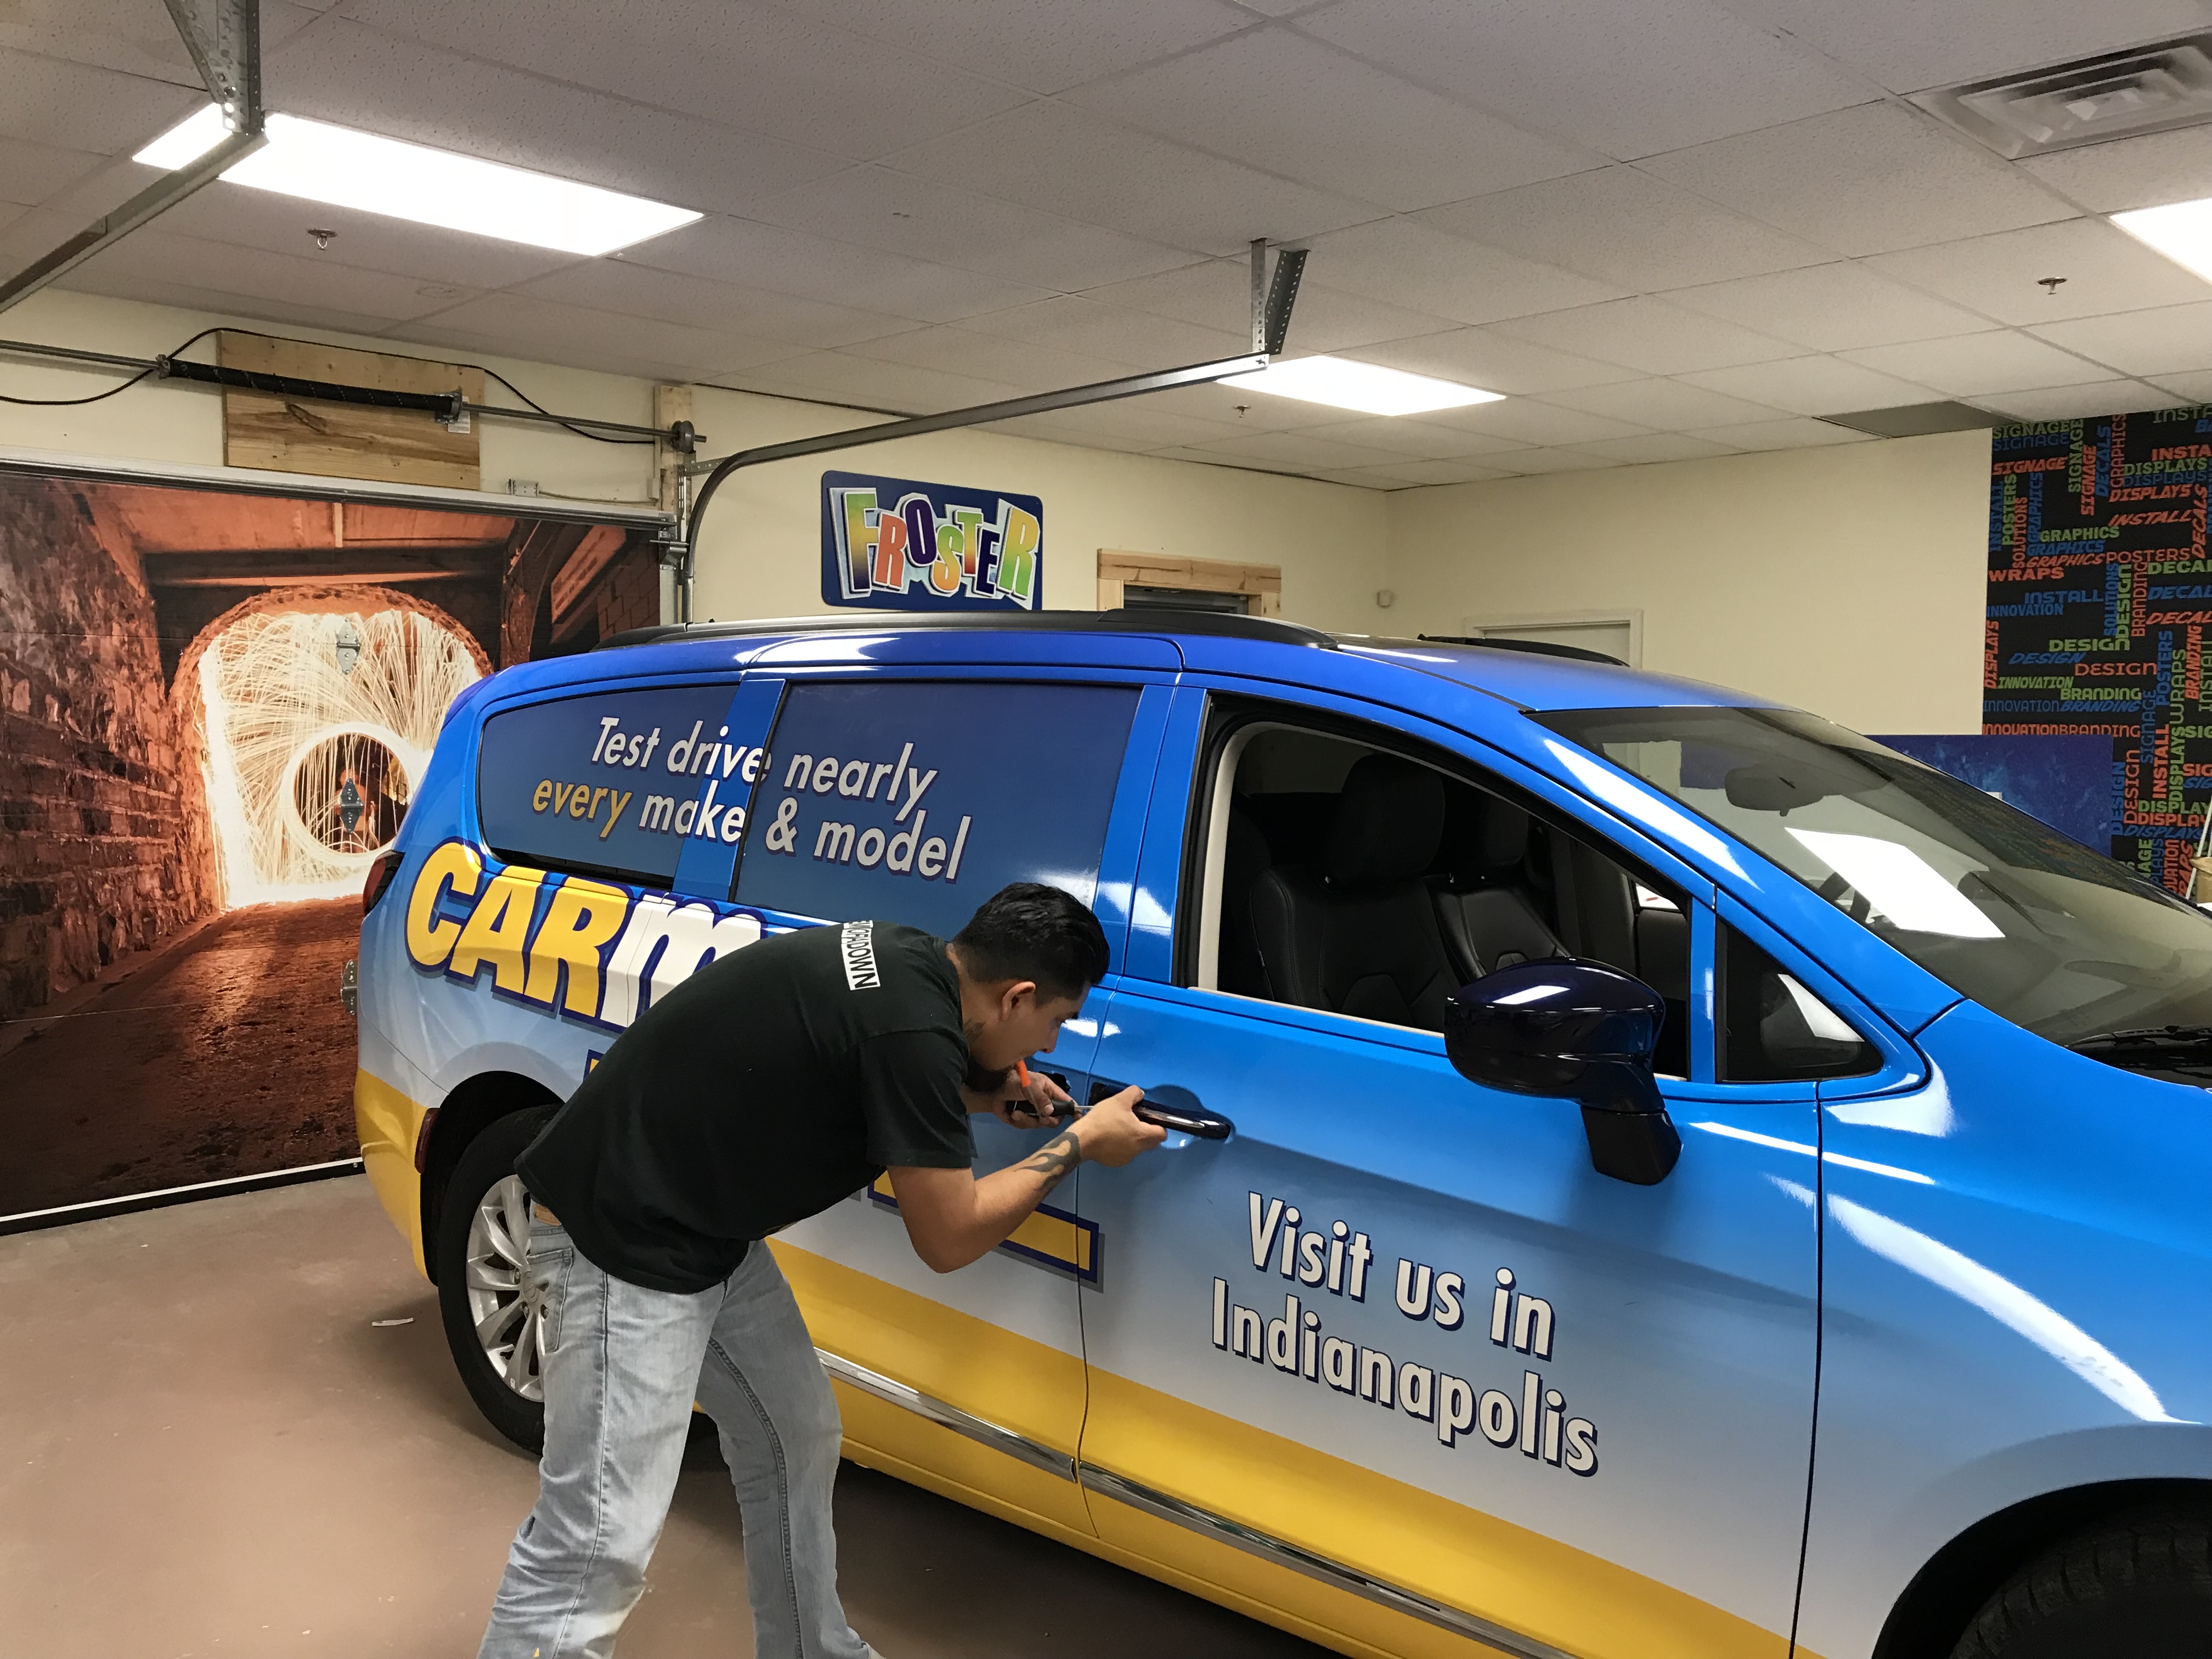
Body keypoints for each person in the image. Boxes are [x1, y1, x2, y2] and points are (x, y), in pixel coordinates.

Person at [477, 882, 1165, 1659]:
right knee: (598, 1539)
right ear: (1019, 996)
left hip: (701, 1229)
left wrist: (984, 1091)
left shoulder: (910, 960)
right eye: (1052, 1027)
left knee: (794, 1436)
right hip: (620, 1241)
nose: (1045, 1051)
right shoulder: (914, 1033)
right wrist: (1080, 1144)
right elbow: (948, 1238)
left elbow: (864, 1057)